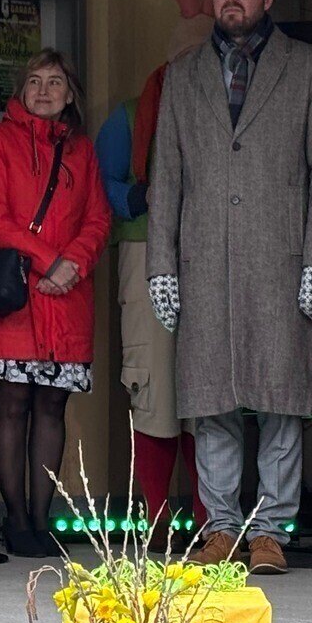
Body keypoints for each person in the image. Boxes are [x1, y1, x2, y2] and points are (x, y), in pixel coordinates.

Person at [147, 0, 312, 575]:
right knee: (212, 400)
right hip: (204, 258)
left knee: (280, 400)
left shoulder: (308, 67)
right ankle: (222, 528)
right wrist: (161, 264)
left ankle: (271, 532)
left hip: (281, 260)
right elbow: (166, 176)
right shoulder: (182, 75)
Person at [0, 51, 113, 556]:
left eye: (54, 82)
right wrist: (50, 261)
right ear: (21, 91)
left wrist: (73, 264)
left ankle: (40, 517)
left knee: (52, 405)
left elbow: (98, 219)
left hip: (67, 295)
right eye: (34, 81)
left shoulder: (83, 150)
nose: (44, 90)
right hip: (13, 294)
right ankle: (15, 520)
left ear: (70, 94)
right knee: (12, 403)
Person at [95, 81, 200, 535]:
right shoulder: (131, 113)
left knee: (210, 393)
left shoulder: (232, 108)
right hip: (143, 247)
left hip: (212, 253)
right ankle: (156, 516)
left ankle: (209, 521)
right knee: (153, 382)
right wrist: (140, 198)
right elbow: (99, 180)